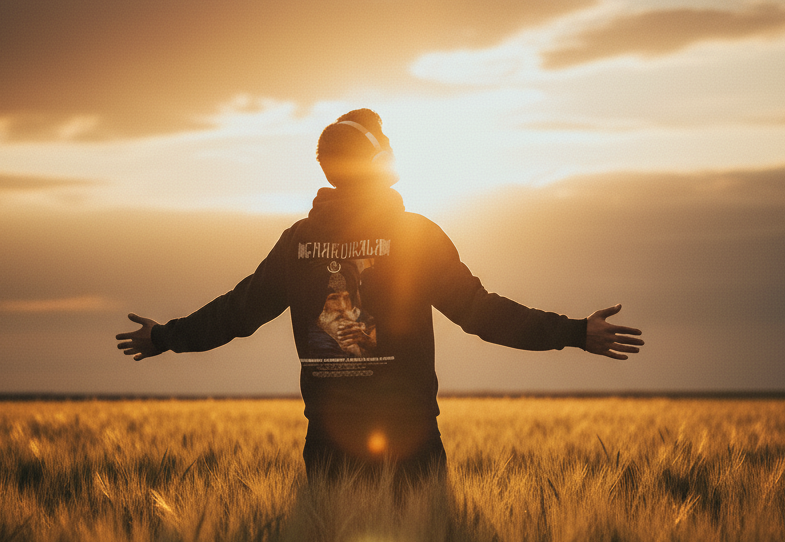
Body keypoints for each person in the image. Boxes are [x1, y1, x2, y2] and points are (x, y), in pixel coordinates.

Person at [116, 108, 644, 481]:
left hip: (327, 444)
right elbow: (481, 313)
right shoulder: (413, 236)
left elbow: (238, 311)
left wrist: (165, 338)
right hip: (408, 440)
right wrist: (574, 333)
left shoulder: (298, 242)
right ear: (376, 165)